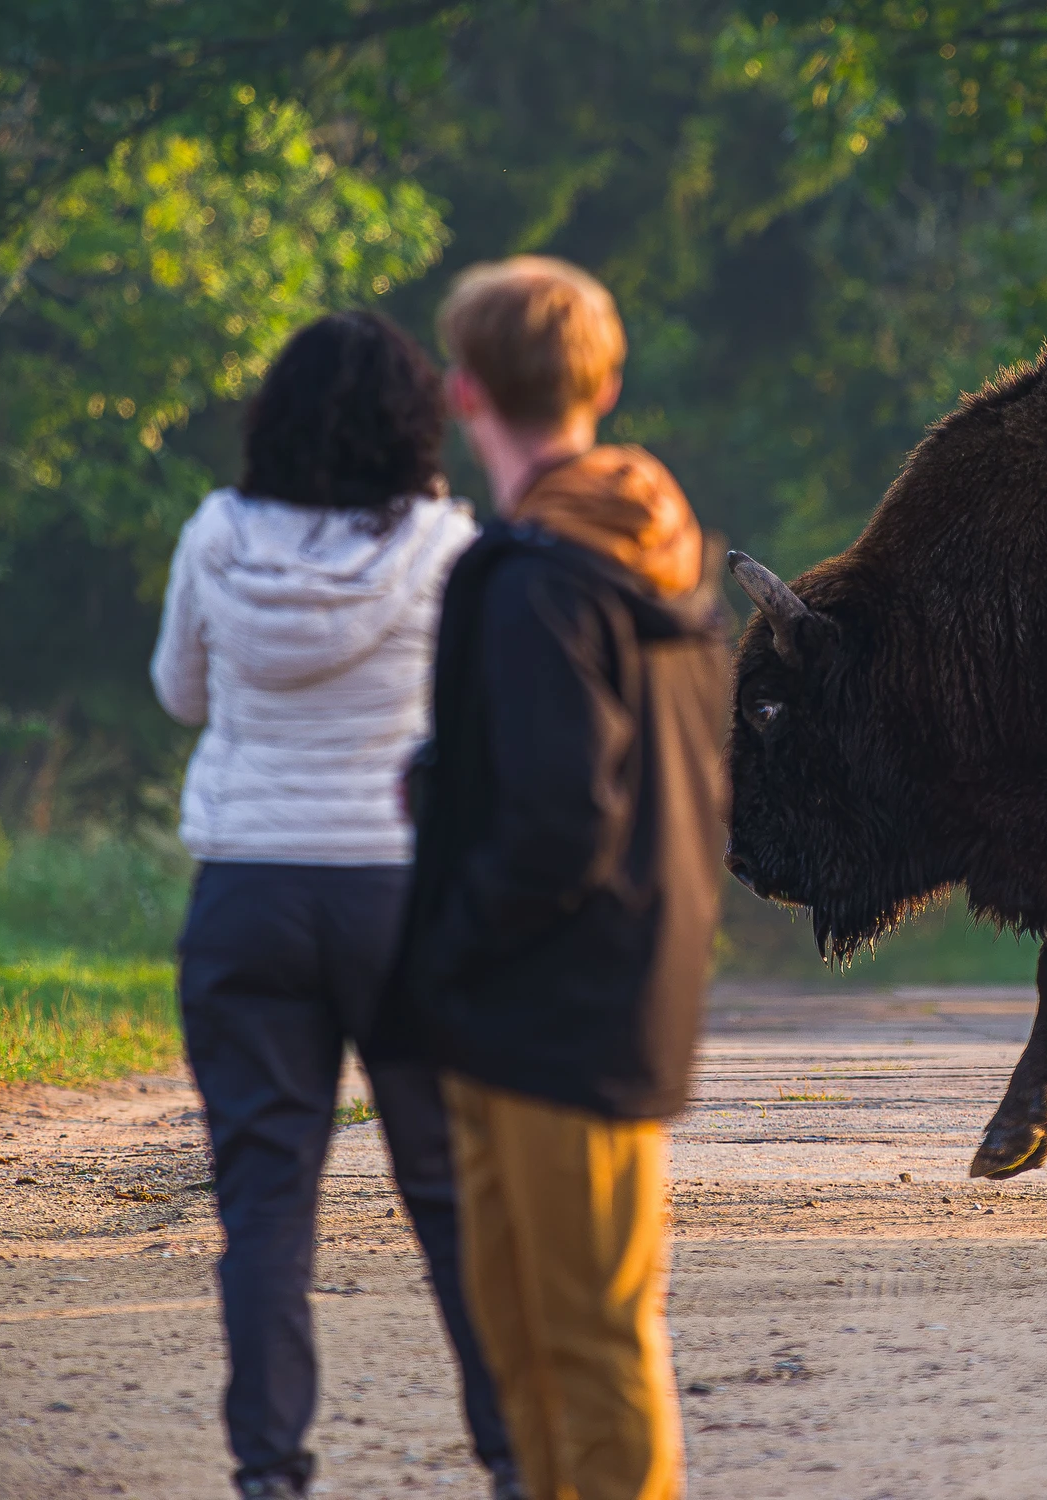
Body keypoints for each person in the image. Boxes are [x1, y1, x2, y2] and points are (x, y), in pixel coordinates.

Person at [150, 312, 520, 1500]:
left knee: (264, 1200)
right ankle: (514, 1458)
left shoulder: (216, 534)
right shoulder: (448, 548)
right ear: (416, 423)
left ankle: (269, 1469)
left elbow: (177, 692)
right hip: (399, 897)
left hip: (247, 892)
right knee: (451, 1195)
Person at [385, 255, 727, 1500]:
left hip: (547, 1012)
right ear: (607, 379)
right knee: (534, 1341)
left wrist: (440, 952)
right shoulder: (655, 560)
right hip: (599, 998)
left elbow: (556, 824)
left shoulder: (538, 582)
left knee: (579, 1342)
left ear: (463, 392)